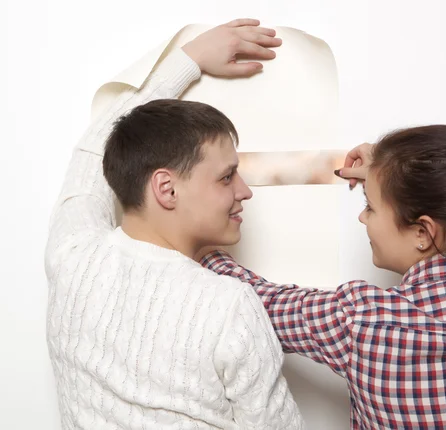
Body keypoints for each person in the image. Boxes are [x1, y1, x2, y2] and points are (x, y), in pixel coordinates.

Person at [200, 125, 446, 429]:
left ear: (424, 232)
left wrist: (200, 240)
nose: (363, 218)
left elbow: (258, 300)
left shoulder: (364, 320)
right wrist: (391, 170)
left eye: (370, 206)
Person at [45, 19, 304, 430]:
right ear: (166, 188)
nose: (245, 191)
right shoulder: (230, 305)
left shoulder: (71, 257)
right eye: (226, 177)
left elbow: (91, 154)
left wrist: (191, 59)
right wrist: (190, 60)